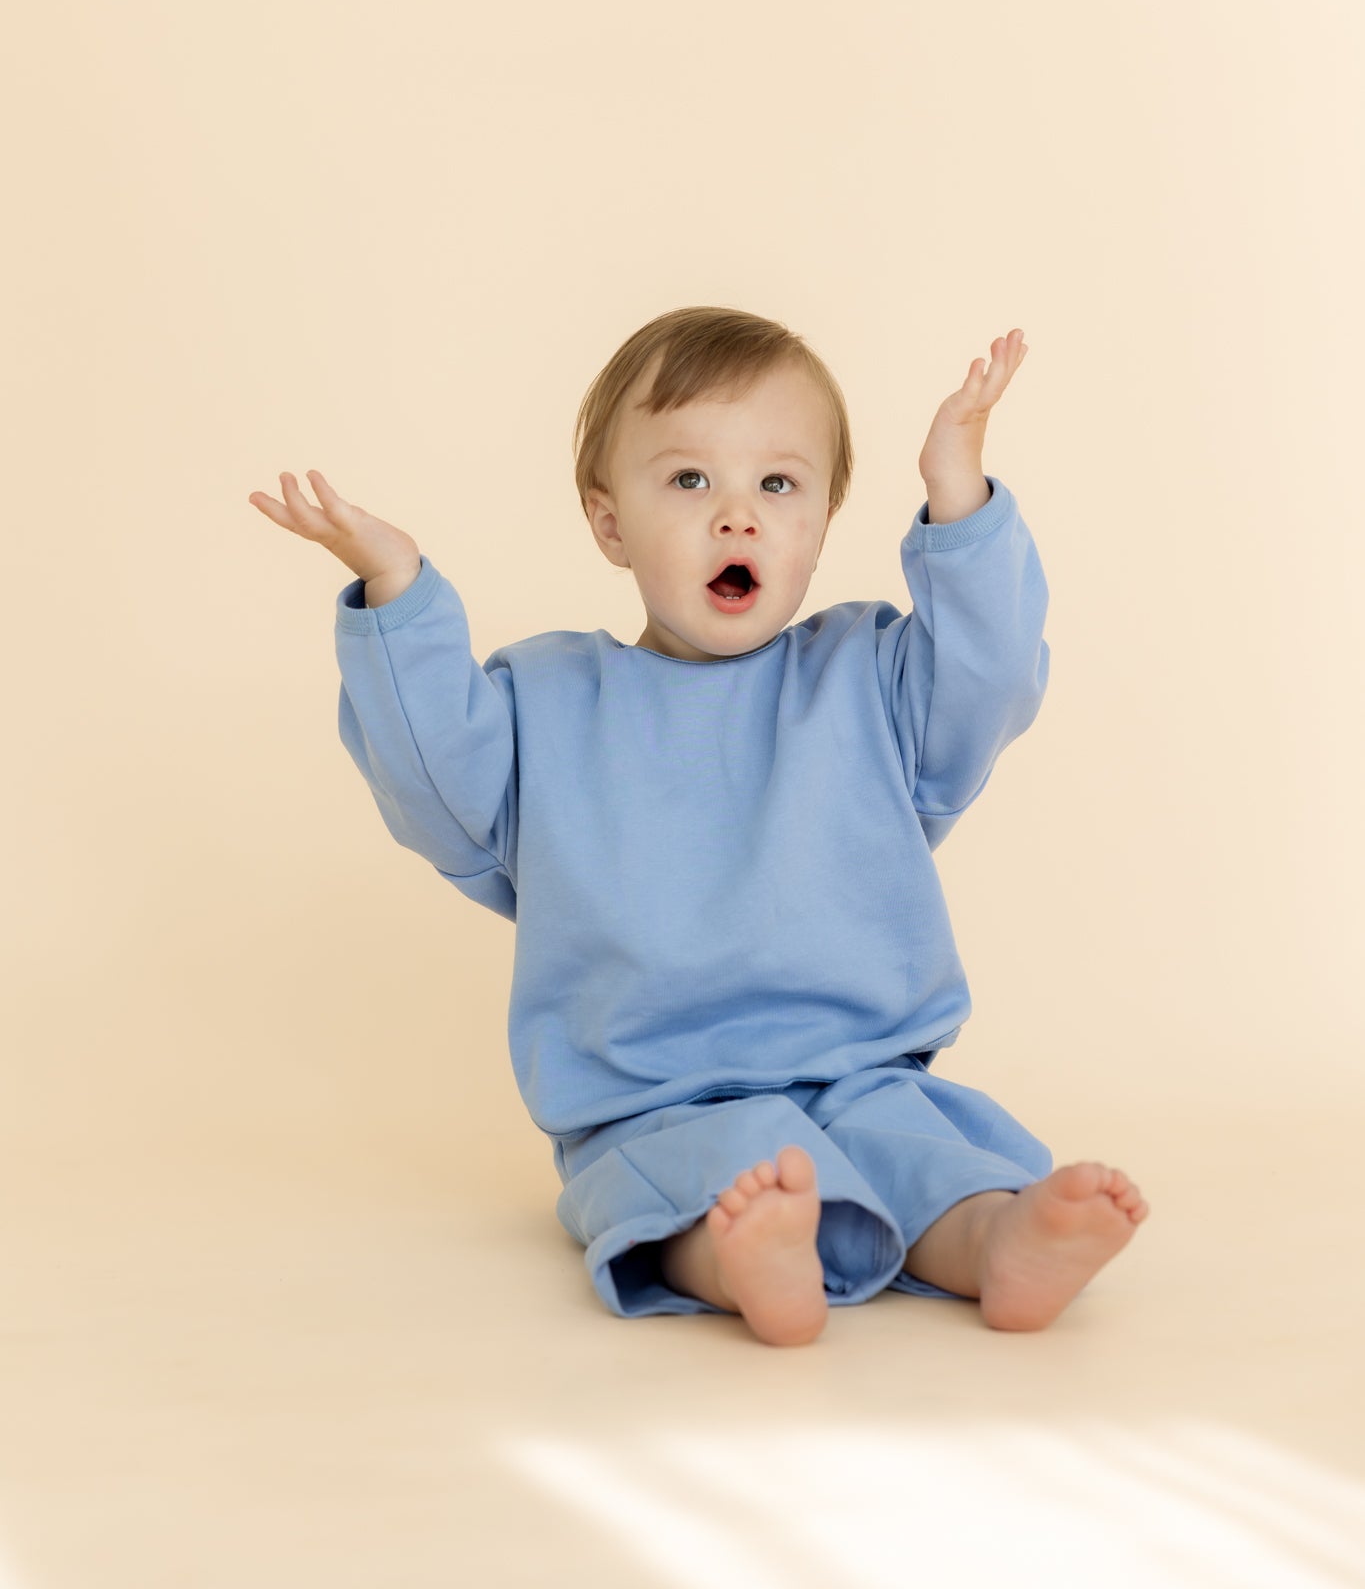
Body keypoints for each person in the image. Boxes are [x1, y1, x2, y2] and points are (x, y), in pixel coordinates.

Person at [248, 304, 1148, 1347]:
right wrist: (398, 589)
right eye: (688, 480)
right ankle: (747, 1256)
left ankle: (998, 1242)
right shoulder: (549, 702)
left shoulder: (868, 678)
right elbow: (434, 779)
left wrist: (959, 496)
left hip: (863, 1068)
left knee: (927, 1155)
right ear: (609, 524)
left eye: (778, 484)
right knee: (690, 1185)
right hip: (649, 1095)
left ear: (822, 521)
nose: (737, 518)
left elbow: (988, 676)